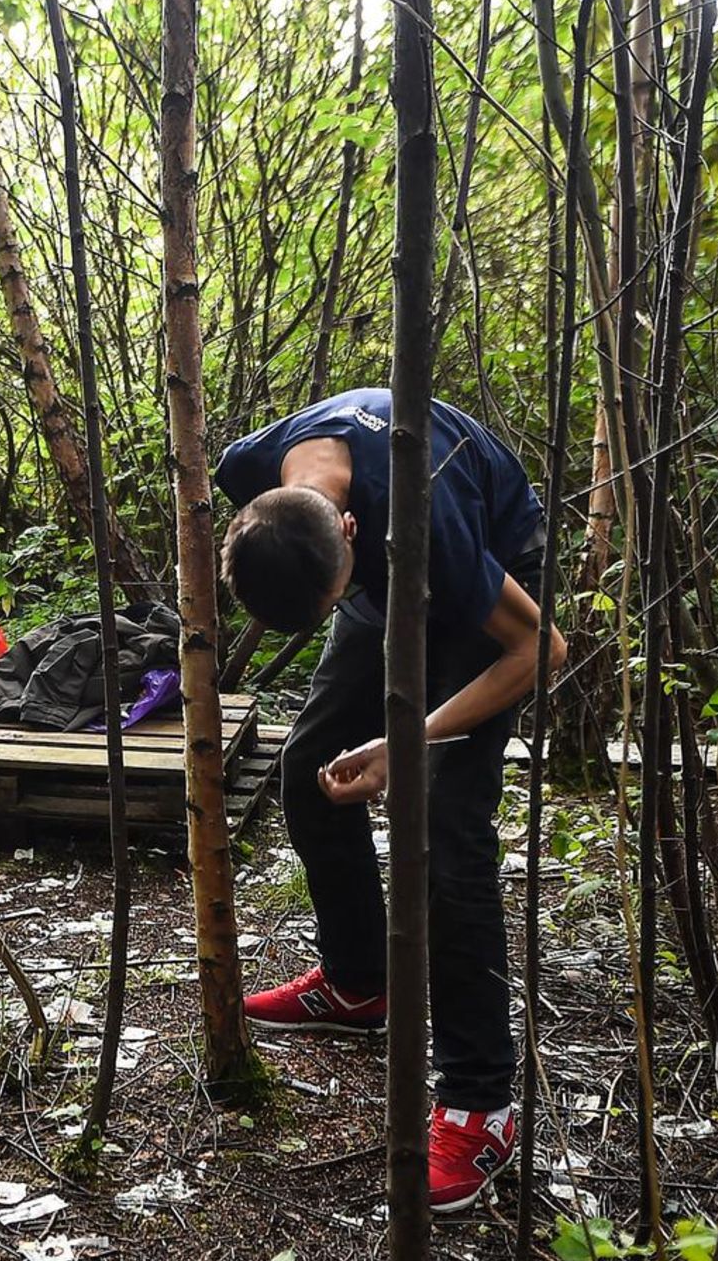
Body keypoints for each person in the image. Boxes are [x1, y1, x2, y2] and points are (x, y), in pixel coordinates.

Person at [216, 388, 565, 1214]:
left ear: (349, 531)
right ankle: (358, 981)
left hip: (494, 595)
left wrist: (403, 744)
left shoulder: (427, 514)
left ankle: (481, 1103)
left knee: (448, 833)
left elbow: (541, 648)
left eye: (333, 599)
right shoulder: (250, 475)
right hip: (381, 583)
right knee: (307, 770)